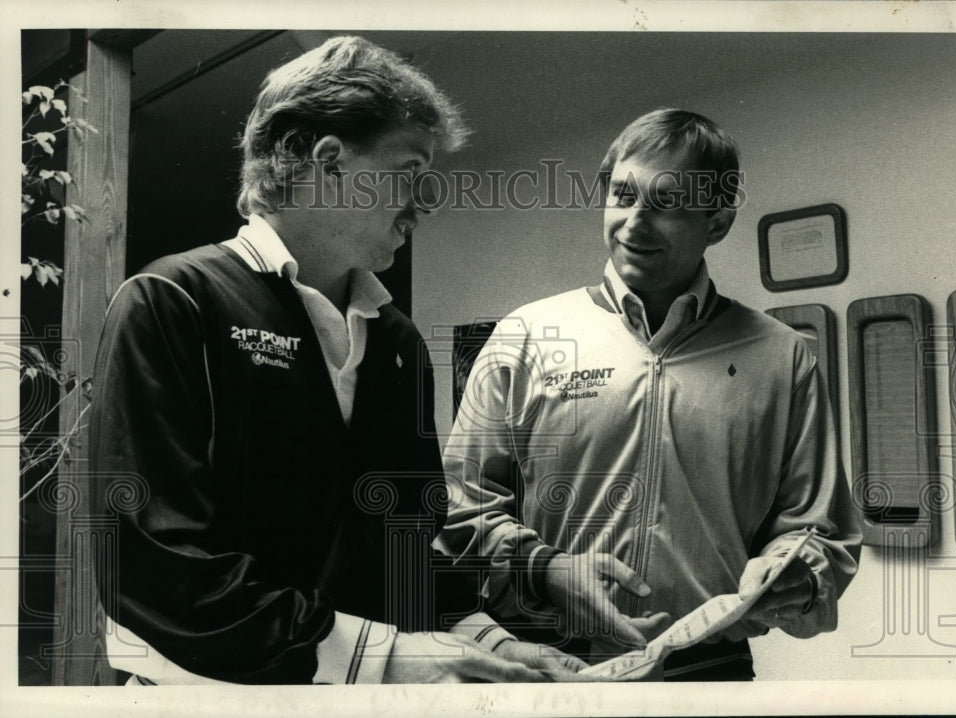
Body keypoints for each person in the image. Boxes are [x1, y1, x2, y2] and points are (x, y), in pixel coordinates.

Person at [88, 35, 587, 685]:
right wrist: (388, 658)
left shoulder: (400, 345)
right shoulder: (172, 301)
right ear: (326, 161)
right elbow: (154, 567)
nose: (427, 200)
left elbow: (405, 549)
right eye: (410, 171)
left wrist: (487, 638)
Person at [440, 108, 862, 681]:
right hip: (547, 665)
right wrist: (544, 568)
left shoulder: (783, 357)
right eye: (623, 195)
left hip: (709, 671)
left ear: (718, 220)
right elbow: (457, 509)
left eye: (667, 204)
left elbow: (820, 532)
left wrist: (796, 572)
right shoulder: (526, 336)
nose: (635, 223)